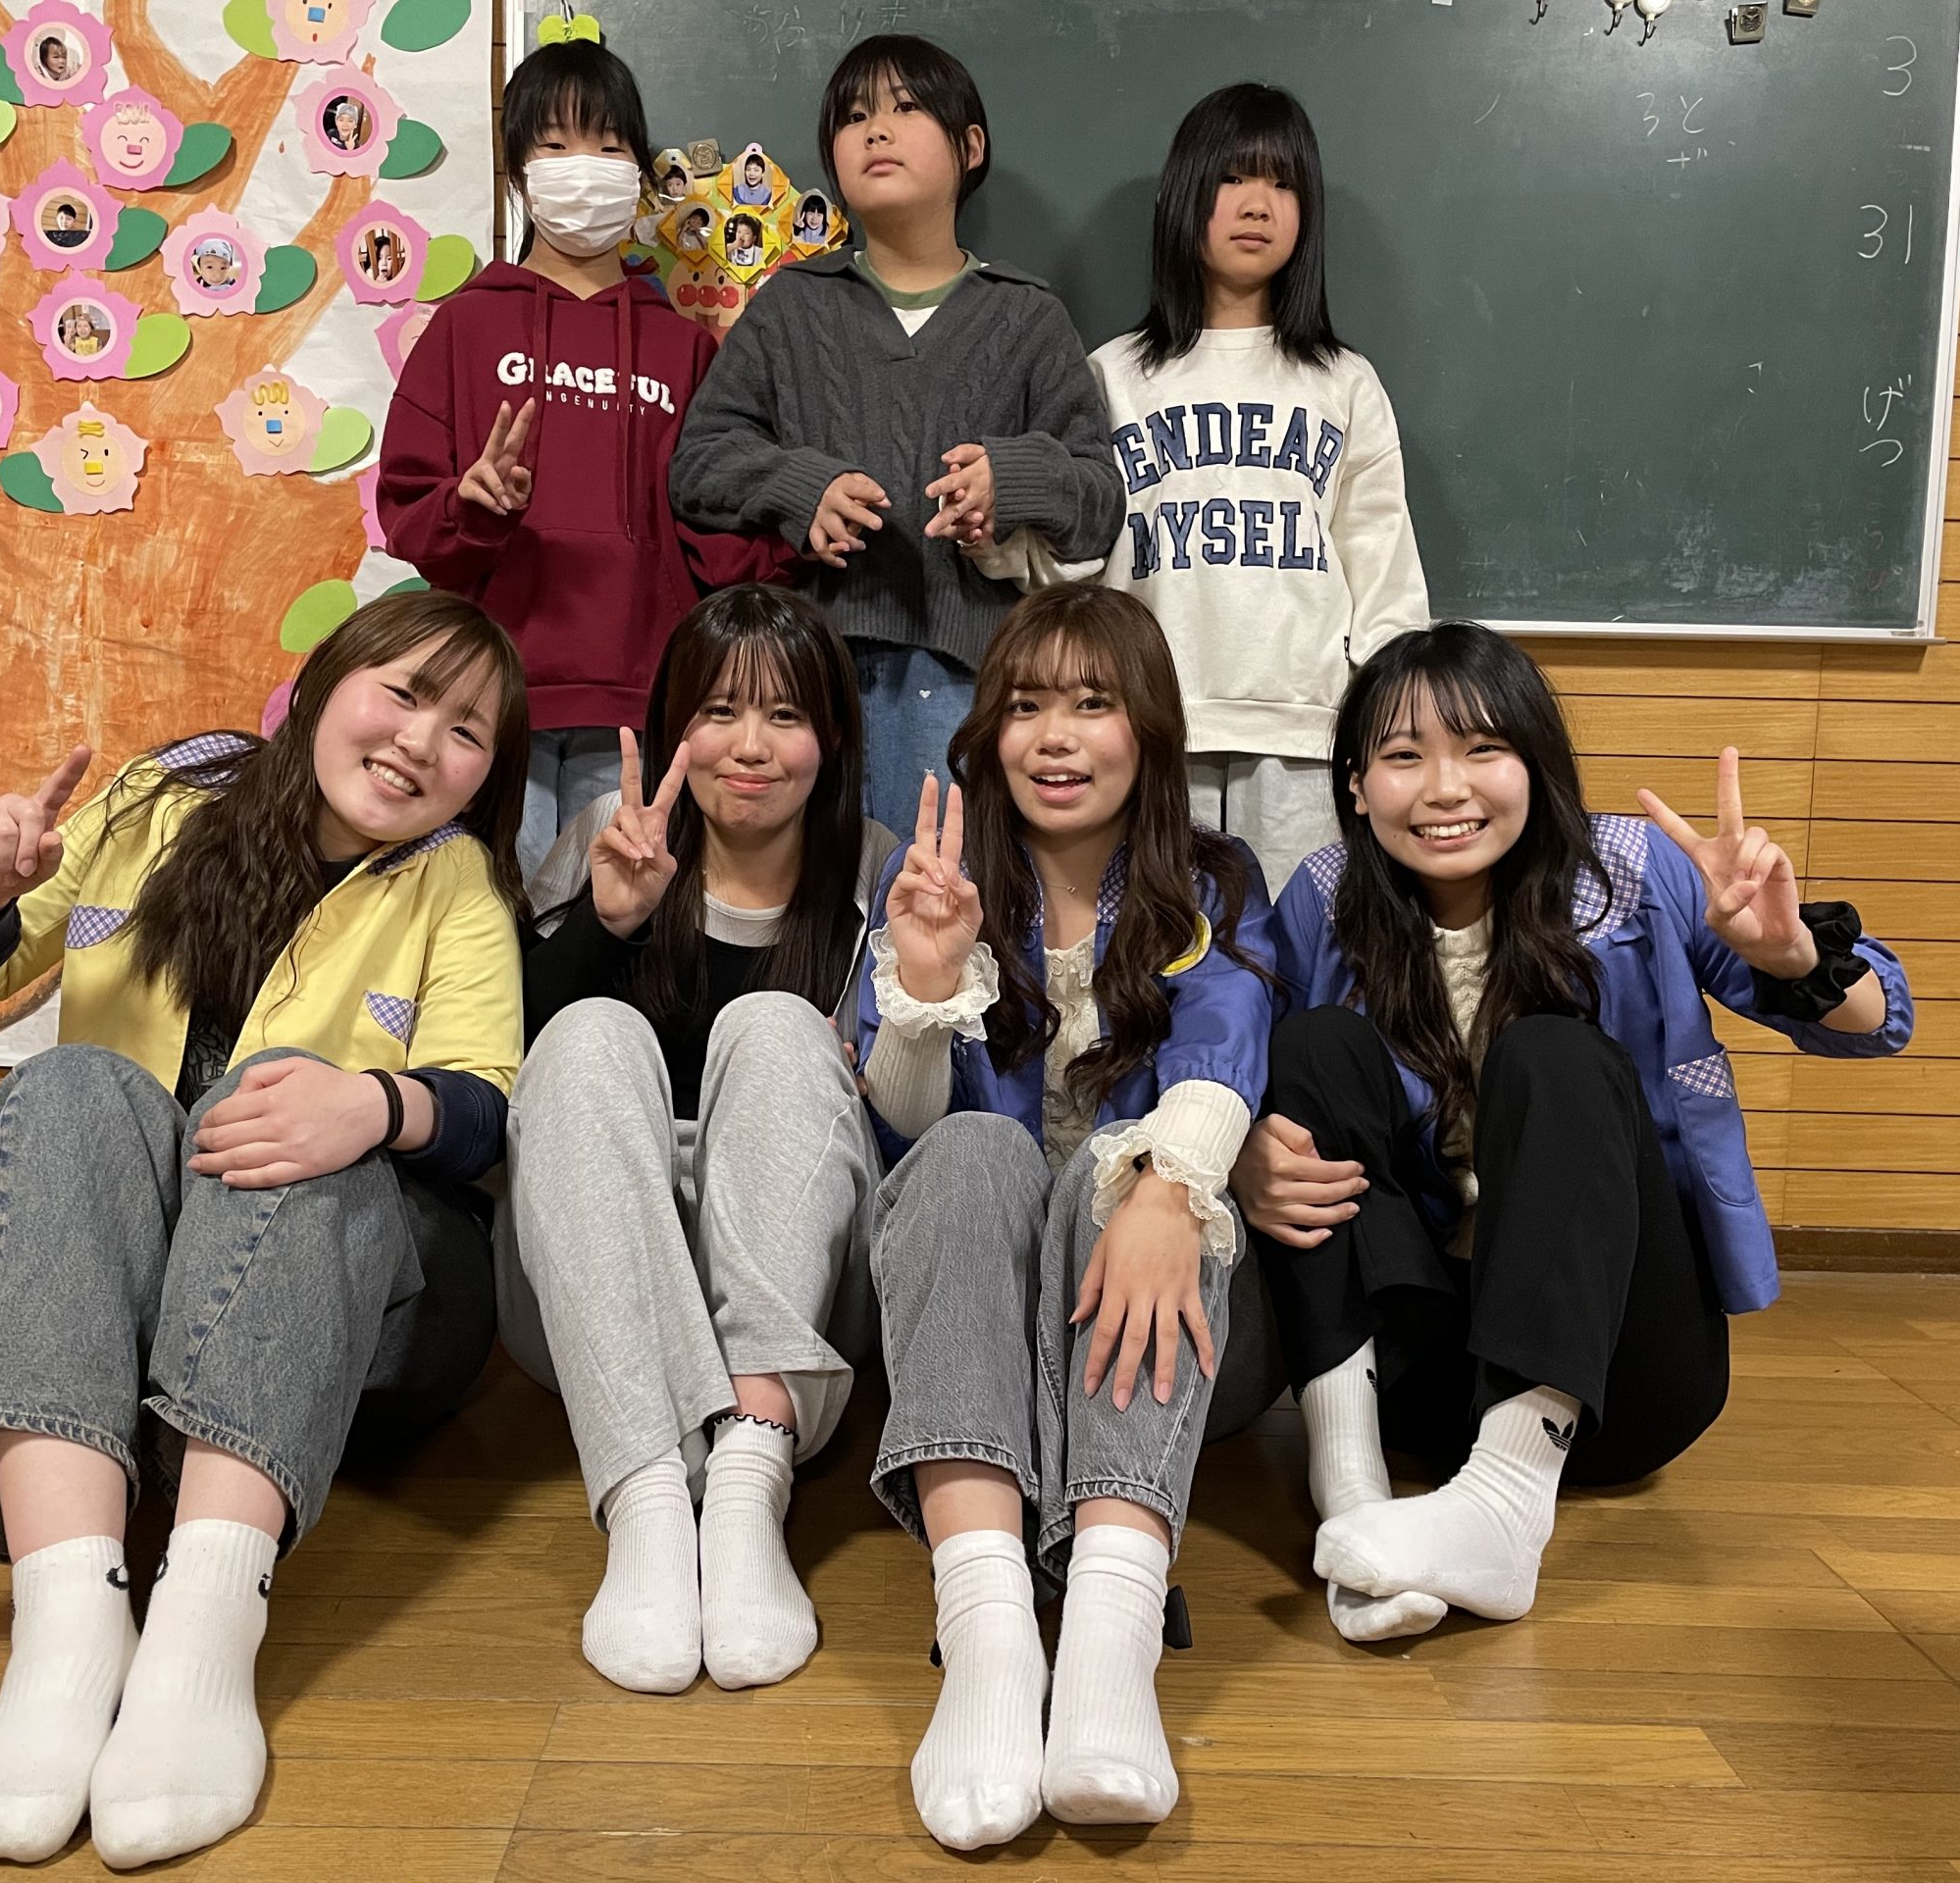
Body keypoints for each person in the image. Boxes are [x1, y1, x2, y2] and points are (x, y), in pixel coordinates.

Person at [0, 593, 530, 1869]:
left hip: (358, 1310)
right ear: (325, 682)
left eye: (467, 732)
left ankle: (202, 1634)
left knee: (277, 1098)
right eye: (403, 693)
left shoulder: (458, 883)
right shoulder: (161, 800)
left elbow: (485, 1115)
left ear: (485, 776)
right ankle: (67, 1636)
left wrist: (370, 1103)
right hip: (130, 1315)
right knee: (63, 1088)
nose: (421, 741)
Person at [1232, 620, 1912, 1646]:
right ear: (1358, 786)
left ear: (1536, 762)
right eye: (1404, 755)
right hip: (1421, 1380)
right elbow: (1235, 1062)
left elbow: (1880, 1023)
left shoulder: (1635, 870)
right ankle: (1351, 1489)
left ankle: (1505, 1503)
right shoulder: (1326, 896)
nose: (1445, 788)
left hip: (1617, 1378)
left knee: (1551, 1053)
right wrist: (1247, 1155)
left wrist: (1788, 959)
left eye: (1482, 748)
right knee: (1311, 1046)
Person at [856, 583, 1280, 1848]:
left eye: (1093, 704)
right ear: (987, 731)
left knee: (1125, 1158)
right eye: (1025, 704)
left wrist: (1165, 1184)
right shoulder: (937, 880)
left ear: (1147, 730)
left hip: (1157, 1309)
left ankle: (1108, 1630)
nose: (1055, 736)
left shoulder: (1213, 881)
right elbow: (906, 1140)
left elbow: (1226, 1045)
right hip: (972, 1332)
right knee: (971, 1147)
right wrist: (924, 985)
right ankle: (988, 1629)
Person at [503, 585, 896, 1695]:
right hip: (594, 1303)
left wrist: (902, 1012)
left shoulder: (876, 872)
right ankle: (643, 1491)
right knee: (588, 1031)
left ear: (833, 737)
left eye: (786, 715)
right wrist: (605, 923)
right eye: (719, 712)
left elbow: (910, 1124)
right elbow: (509, 1070)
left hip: (795, 1309)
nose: (750, 748)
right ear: (674, 724)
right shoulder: (612, 834)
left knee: (776, 1026)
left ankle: (746, 1484)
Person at [972, 84, 1428, 896]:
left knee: (1293, 949)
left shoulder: (1343, 382)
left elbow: (1383, 570)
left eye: (1283, 183)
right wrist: (994, 541)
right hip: (1141, 728)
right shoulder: (1114, 374)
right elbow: (1078, 554)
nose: (1258, 204)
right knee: (1150, 943)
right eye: (1232, 178)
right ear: (1186, 195)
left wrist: (1390, 726)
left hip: (1301, 734)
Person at [670, 33, 1124, 822]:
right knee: (818, 891)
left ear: (970, 147)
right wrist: (800, 488)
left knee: (940, 887)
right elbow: (699, 463)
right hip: (805, 683)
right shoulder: (791, 306)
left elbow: (1099, 498)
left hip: (980, 682)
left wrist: (1011, 481)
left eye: (906, 108)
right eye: (853, 117)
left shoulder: (1027, 315)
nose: (875, 130)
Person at [380, 35, 794, 882]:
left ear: (639, 174)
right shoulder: (465, 326)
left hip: (643, 699)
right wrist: (471, 506)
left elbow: (712, 526)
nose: (585, 168)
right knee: (495, 920)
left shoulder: (684, 348)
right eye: (555, 145)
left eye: (608, 147)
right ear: (518, 171)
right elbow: (408, 515)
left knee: (615, 924)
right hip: (488, 698)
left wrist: (799, 535)